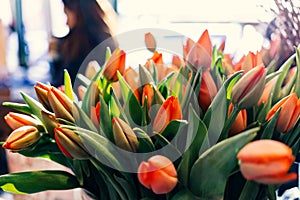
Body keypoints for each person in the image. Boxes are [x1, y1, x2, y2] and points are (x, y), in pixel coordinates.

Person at [49, 0, 118, 88]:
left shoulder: (86, 46)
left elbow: (61, 82)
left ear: (79, 13)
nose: (66, 22)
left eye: (66, 14)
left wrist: (55, 59)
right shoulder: (107, 40)